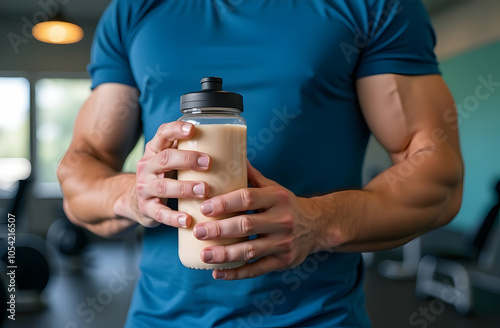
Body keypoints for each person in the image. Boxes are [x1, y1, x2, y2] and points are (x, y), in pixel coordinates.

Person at [57, 0, 464, 327]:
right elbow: (79, 175)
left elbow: (437, 175)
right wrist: (133, 194)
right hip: (160, 318)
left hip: (317, 317)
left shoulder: (373, 5)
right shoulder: (134, 10)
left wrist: (318, 222)